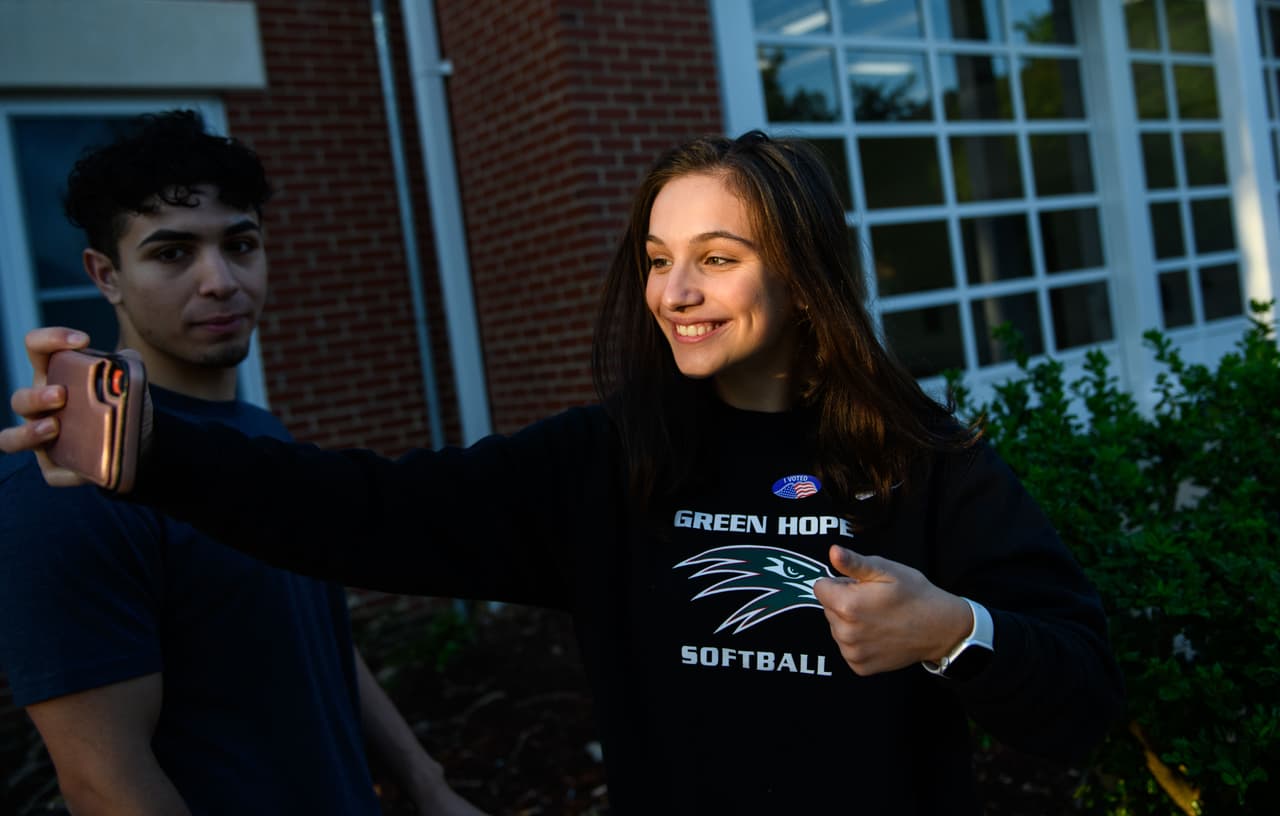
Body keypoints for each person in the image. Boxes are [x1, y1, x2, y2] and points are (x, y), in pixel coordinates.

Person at [3, 131, 1124, 814]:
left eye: (717, 260)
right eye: (655, 260)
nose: (674, 292)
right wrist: (146, 447)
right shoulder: (606, 461)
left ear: (804, 274)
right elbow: (365, 512)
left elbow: (1080, 690)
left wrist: (951, 633)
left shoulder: (915, 458)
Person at [0, 110, 485, 816]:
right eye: (172, 253)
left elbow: (313, 633)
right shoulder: (67, 486)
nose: (221, 280)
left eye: (241, 243)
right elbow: (106, 787)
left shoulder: (260, 439)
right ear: (105, 275)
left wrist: (427, 784)